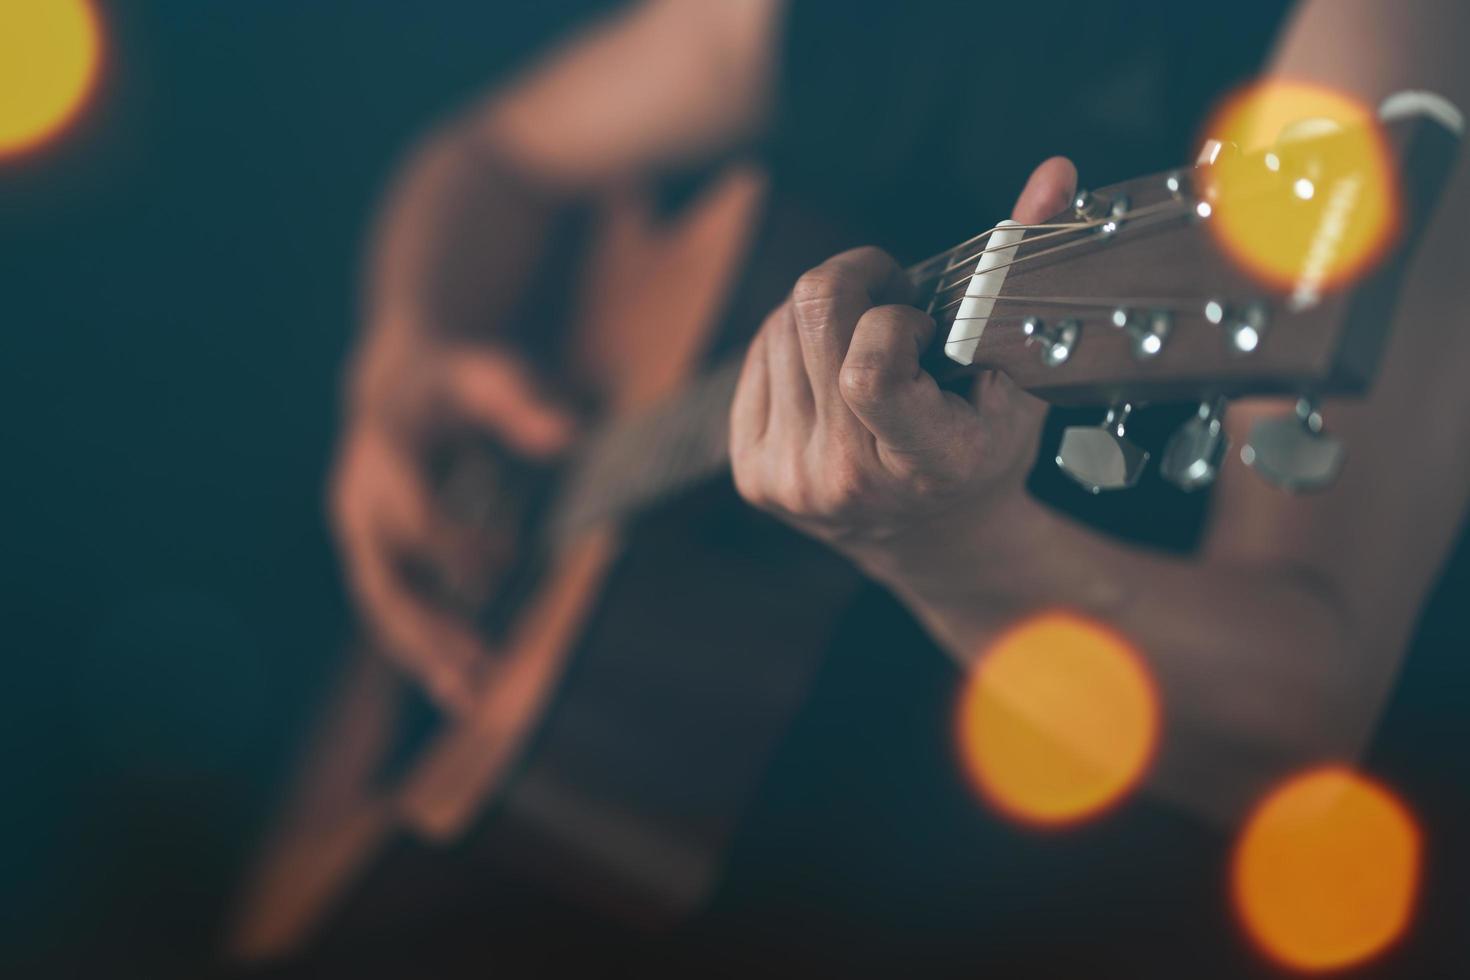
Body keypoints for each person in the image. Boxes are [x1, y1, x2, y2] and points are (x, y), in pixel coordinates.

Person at [325, 0, 1470, 970]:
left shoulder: (1384, 34)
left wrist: (950, 544)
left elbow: (1304, 707)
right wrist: (401, 351)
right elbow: (486, 155)